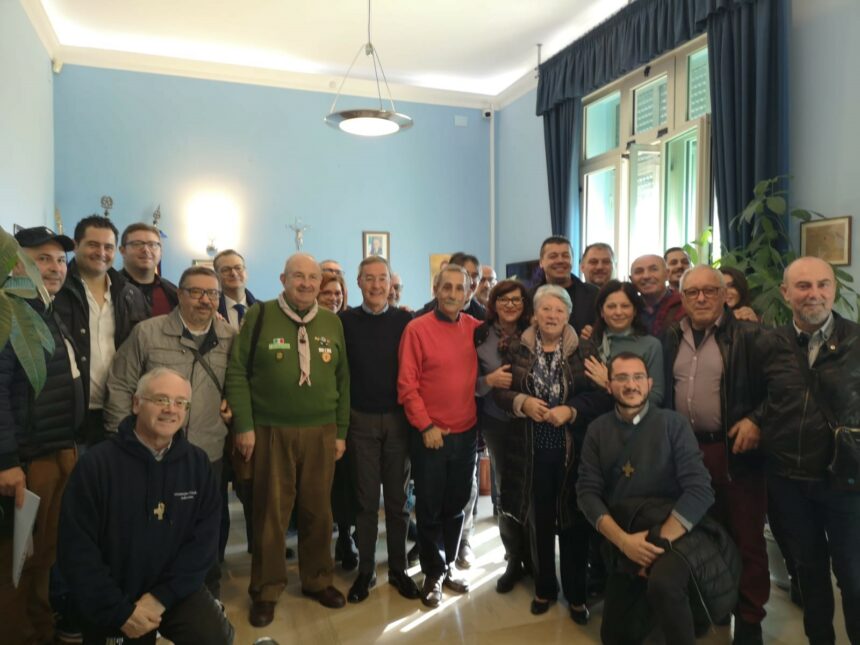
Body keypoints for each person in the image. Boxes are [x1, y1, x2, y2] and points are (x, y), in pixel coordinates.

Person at [57, 368, 233, 645]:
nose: (171, 409)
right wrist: (120, 611)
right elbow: (76, 550)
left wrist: (160, 598)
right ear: (136, 403)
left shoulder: (197, 464)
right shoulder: (96, 466)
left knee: (214, 637)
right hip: (113, 597)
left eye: (181, 403)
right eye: (161, 399)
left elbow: (203, 545)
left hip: (174, 590)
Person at [226, 253, 350, 626]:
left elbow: (343, 379)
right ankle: (266, 590)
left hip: (321, 431)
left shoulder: (331, 321)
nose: (307, 283)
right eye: (298, 276)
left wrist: (340, 431)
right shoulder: (260, 315)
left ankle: (318, 580)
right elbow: (237, 372)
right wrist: (244, 425)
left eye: (313, 277)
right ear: (283, 279)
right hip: (270, 430)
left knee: (318, 511)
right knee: (271, 515)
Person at [577, 353, 733, 645]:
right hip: (627, 533)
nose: (631, 385)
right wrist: (624, 542)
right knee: (614, 636)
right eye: (621, 378)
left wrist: (655, 544)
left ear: (649, 384)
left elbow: (700, 489)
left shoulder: (673, 424)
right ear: (608, 385)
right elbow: (587, 493)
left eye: (638, 377)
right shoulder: (597, 430)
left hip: (675, 531)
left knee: (664, 584)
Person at [748, 256, 860, 644]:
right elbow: (760, 397)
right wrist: (754, 419)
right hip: (789, 481)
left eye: (822, 284)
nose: (814, 293)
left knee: (853, 576)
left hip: (845, 480)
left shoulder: (857, 341)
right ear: (785, 293)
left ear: (834, 289)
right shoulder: (768, 343)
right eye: (803, 286)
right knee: (809, 575)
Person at [103, 266, 235, 596]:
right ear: (180, 294)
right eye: (196, 292)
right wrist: (121, 441)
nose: (205, 300)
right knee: (150, 523)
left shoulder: (230, 337)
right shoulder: (148, 333)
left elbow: (240, 383)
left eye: (212, 293)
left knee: (207, 524)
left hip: (207, 449)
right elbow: (121, 385)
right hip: (151, 451)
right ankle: (151, 592)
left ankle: (207, 591)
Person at [663, 266, 768, 645]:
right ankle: (715, 606)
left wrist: (757, 419)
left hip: (734, 452)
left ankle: (750, 618)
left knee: (746, 536)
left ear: (725, 295)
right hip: (686, 452)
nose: (701, 298)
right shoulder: (670, 337)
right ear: (682, 298)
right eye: (693, 292)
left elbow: (782, 388)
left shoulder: (751, 335)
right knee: (702, 534)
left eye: (710, 290)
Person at [494, 285, 611, 619]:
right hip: (531, 453)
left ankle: (576, 595)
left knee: (574, 522)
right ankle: (545, 588)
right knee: (540, 523)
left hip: (573, 452)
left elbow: (601, 397)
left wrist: (571, 410)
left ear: (568, 315)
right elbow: (500, 393)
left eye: (559, 310)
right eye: (545, 309)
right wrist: (522, 402)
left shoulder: (585, 349)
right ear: (534, 314)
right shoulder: (516, 347)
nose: (552, 315)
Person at [0, 227, 82, 645]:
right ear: (17, 264)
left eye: (60, 260)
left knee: (44, 555)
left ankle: (40, 629)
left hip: (57, 450)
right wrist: (7, 461)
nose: (54, 268)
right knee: (16, 561)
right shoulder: (9, 315)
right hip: (28, 461)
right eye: (42, 259)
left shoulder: (46, 309)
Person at [397, 263, 482, 608]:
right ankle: (432, 572)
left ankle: (447, 568)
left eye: (459, 288)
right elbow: (407, 385)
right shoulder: (416, 329)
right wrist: (426, 426)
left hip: (466, 433)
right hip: (431, 435)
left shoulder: (474, 328)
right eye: (446, 287)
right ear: (435, 289)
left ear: (468, 293)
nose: (452, 294)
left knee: (456, 506)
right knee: (430, 508)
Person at [339, 256, 419, 603]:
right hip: (361, 421)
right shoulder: (344, 322)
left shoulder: (406, 321)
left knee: (399, 502)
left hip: (399, 420)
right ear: (358, 283)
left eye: (382, 278)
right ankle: (366, 570)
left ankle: (399, 569)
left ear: (391, 283)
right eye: (368, 278)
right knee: (367, 501)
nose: (375, 285)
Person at [53, 215, 149, 445]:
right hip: (70, 412)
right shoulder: (57, 291)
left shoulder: (130, 294)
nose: (101, 252)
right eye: (93, 245)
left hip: (119, 410)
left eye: (108, 247)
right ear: (76, 245)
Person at [474, 280, 532, 593]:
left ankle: (534, 555)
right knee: (505, 488)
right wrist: (488, 380)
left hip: (531, 420)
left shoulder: (534, 331)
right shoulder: (480, 335)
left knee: (531, 487)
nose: (510, 305)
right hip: (496, 422)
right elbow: (467, 380)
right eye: (504, 299)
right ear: (494, 303)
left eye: (516, 300)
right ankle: (513, 556)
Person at [318, 271, 356, 569]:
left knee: (344, 484)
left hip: (346, 415)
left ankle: (345, 537)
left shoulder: (348, 323)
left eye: (338, 294)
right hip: (315, 417)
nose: (333, 298)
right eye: (327, 293)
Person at [581, 280, 664, 406]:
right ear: (602, 311)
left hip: (635, 417)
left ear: (635, 310)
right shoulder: (590, 343)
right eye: (611, 306)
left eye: (625, 306)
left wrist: (609, 385)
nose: (618, 312)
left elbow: (656, 396)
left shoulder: (651, 346)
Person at [532, 236, 598, 334]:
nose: (560, 260)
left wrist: (595, 333)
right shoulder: (530, 296)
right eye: (553, 256)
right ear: (541, 262)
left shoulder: (594, 294)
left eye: (565, 256)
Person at [119, 223, 178, 316]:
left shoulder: (173, 292)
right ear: (123, 251)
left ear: (161, 251)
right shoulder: (109, 288)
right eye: (137, 244)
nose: (146, 250)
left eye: (152, 245)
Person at [415, 252, 486, 320]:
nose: (471, 281)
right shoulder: (420, 317)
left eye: (475, 276)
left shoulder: (484, 318)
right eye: (466, 274)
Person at [629, 253, 684, 337]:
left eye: (653, 269)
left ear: (667, 274)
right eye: (639, 271)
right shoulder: (627, 309)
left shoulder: (683, 305)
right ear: (631, 279)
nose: (646, 276)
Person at [214, 250, 257, 332]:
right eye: (226, 270)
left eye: (238, 268)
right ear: (216, 276)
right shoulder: (211, 310)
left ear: (246, 273)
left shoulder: (264, 310)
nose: (233, 273)